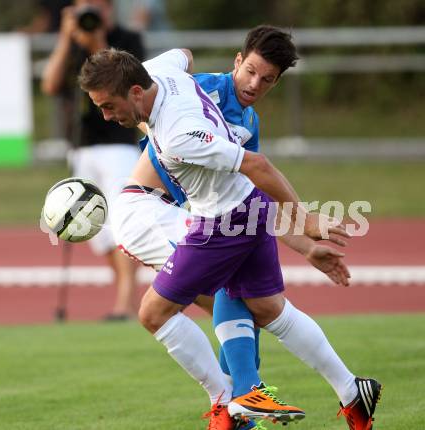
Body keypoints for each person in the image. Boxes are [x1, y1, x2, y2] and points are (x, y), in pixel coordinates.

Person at [78, 45, 381, 430]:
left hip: (220, 224)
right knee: (270, 310)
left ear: (136, 92)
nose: (105, 115)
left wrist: (303, 218)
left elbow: (257, 165)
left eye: (108, 105)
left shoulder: (179, 134)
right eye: (251, 71)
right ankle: (352, 390)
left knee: (154, 313)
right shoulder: (159, 71)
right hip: (247, 212)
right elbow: (184, 54)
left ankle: (235, 396)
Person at [41, 0, 145, 320]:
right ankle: (123, 297)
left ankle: (125, 304)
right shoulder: (72, 43)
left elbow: (123, 82)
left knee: (122, 223)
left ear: (108, 8)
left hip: (118, 144)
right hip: (82, 146)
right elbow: (50, 84)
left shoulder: (127, 39)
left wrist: (98, 44)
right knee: (96, 228)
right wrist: (65, 37)